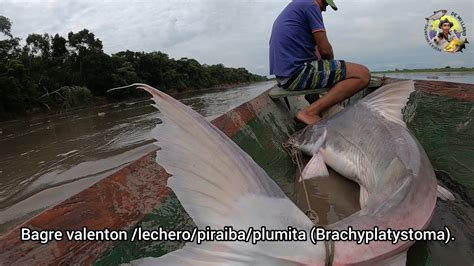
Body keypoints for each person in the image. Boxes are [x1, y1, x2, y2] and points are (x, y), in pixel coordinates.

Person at [269, 0, 371, 125]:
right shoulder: (311, 5)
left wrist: (330, 68)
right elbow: (326, 51)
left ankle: (314, 101)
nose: (324, 9)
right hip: (296, 74)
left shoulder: (298, 5)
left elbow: (317, 51)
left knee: (326, 66)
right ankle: (309, 112)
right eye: (325, 4)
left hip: (284, 77)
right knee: (362, 74)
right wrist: (333, 68)